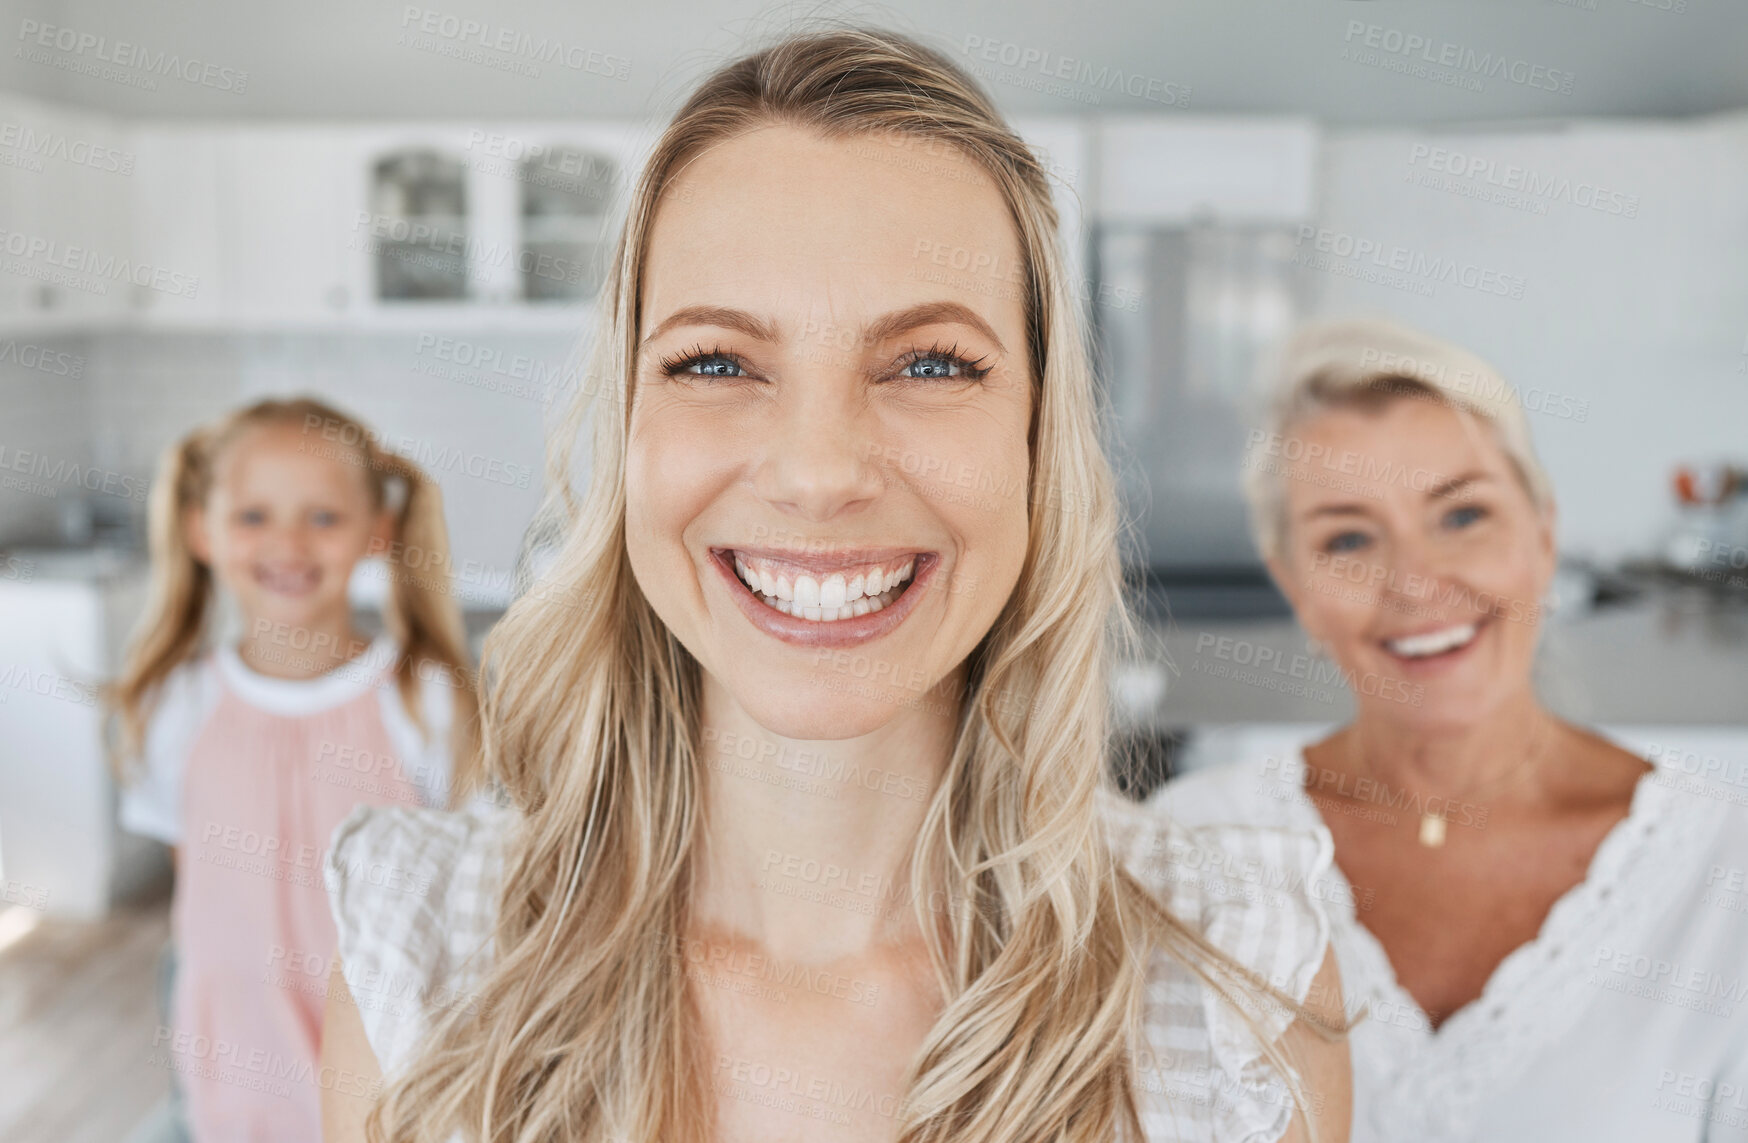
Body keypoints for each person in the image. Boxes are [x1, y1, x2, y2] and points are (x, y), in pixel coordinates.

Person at [320, 28, 1352, 1143]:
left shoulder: (1234, 994)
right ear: (628, 427)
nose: (818, 475)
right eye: (713, 362)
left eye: (929, 364)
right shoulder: (424, 962)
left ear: (1034, 440)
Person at [1156, 316, 1748, 1142]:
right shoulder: (1187, 850)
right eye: (1350, 537)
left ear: (1543, 536)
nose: (1416, 581)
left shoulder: (1726, 874)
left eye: (1463, 515)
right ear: (1296, 585)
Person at [107, 395, 480, 1143]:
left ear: (377, 532)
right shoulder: (174, 705)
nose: (288, 542)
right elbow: (199, 891)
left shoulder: (424, 702)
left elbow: (460, 894)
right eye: (253, 516)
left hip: (387, 1061)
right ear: (200, 531)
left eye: (323, 517)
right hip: (236, 1058)